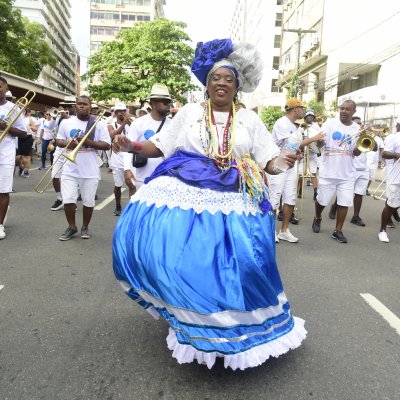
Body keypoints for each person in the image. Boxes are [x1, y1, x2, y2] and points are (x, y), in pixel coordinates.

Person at [112, 39, 306, 370]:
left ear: (237, 86)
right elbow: (159, 146)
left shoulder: (249, 121)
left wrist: (283, 160)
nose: (221, 83)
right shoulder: (188, 113)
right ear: (207, 83)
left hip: (236, 196)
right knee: (181, 260)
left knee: (243, 267)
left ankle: (235, 328)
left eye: (228, 79)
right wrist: (131, 145)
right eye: (216, 77)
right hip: (186, 187)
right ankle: (188, 315)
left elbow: (268, 160)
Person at [269, 99, 325, 243]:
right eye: (301, 108)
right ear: (295, 109)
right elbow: (291, 143)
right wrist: (314, 138)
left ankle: (284, 230)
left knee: (290, 198)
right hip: (278, 165)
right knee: (274, 199)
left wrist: (299, 154)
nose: (303, 111)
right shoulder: (282, 122)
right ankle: (270, 231)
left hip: (291, 166)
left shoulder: (294, 126)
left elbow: (295, 147)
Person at [56, 95, 111, 241]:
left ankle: (85, 226)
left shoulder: (98, 123)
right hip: (70, 167)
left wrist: (89, 142)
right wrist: (69, 144)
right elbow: (58, 140)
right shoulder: (66, 123)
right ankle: (72, 226)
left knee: (88, 201)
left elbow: (106, 144)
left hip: (90, 168)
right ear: (75, 106)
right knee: (68, 199)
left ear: (90, 106)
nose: (81, 106)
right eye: (79, 104)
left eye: (85, 104)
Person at [312, 100, 361, 243]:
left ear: (353, 112)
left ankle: (338, 230)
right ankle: (318, 217)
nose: (344, 111)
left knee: (344, 202)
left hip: (347, 174)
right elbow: (319, 143)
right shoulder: (330, 123)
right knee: (322, 200)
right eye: (342, 108)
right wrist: (320, 142)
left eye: (347, 109)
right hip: (329, 172)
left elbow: (356, 153)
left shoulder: (357, 129)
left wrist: (361, 148)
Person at [123, 84, 172, 193]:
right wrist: (127, 169)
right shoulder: (138, 123)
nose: (168, 105)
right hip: (142, 178)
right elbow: (128, 148)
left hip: (166, 179)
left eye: (169, 102)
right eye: (165, 102)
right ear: (153, 103)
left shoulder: (173, 125)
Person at [0, 76, 27, 239]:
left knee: (3, 190)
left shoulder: (14, 108)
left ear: (5, 88)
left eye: (0, 87)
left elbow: (24, 133)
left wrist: (6, 127)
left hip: (6, 151)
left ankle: (0, 224)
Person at [108, 102, 132, 215]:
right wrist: (124, 124)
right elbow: (113, 135)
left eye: (124, 110)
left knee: (131, 183)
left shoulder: (131, 124)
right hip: (117, 157)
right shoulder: (111, 124)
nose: (122, 112)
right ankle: (118, 205)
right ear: (116, 113)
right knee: (118, 184)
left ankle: (132, 207)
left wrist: (129, 123)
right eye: (119, 111)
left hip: (129, 156)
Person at [378, 123, 400, 242]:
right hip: (395, 176)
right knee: (391, 204)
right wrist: (397, 154)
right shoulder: (394, 137)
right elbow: (384, 154)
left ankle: (394, 214)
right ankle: (382, 230)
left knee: (395, 203)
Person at [297, 109, 321, 201]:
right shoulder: (301, 127)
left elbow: (319, 139)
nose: (310, 117)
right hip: (303, 153)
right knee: (300, 175)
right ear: (305, 117)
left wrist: (317, 148)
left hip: (312, 153)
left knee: (313, 173)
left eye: (312, 116)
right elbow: (298, 139)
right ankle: (299, 190)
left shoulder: (317, 127)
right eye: (308, 116)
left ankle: (315, 191)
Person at [50, 107, 70, 211]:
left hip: (71, 150)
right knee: (54, 175)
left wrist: (67, 117)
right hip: (59, 150)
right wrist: (54, 118)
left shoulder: (75, 118)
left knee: (69, 178)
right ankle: (59, 198)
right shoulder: (58, 119)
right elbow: (50, 128)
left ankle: (70, 201)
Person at [16, 108, 36, 178]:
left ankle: (26, 171)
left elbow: (35, 128)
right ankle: (21, 167)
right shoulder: (17, 117)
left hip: (28, 138)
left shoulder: (29, 119)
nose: (23, 112)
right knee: (17, 157)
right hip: (18, 137)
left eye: (24, 111)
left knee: (25, 157)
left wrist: (29, 126)